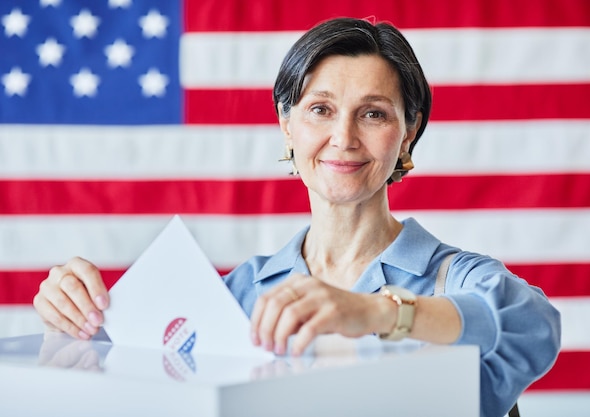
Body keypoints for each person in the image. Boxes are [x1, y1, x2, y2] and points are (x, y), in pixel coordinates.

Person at [33, 17, 561, 417]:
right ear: (287, 126)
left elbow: (530, 326)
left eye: (374, 113)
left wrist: (376, 313)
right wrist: (78, 319)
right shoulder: (236, 296)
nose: (344, 137)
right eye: (320, 109)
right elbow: (138, 383)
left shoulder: (459, 279)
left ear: (409, 131)